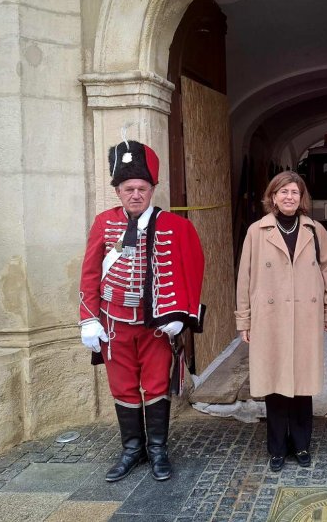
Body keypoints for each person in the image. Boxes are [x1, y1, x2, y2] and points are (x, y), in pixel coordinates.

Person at [79, 139, 205, 482]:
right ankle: (132, 449)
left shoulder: (176, 226)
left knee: (155, 385)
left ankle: (159, 450)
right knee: (122, 387)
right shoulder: (104, 223)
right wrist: (88, 318)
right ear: (118, 191)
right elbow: (90, 272)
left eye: (142, 188)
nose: (136, 194)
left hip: (156, 325)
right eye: (129, 188)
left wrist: (180, 314)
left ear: (152, 189)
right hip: (114, 323)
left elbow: (192, 270)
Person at [235, 171, 327, 472]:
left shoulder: (314, 229)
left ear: (302, 197)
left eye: (294, 192)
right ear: (273, 196)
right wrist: (245, 319)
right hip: (270, 317)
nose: (289, 197)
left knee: (302, 384)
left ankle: (302, 445)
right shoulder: (257, 230)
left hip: (306, 315)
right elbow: (245, 277)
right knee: (275, 383)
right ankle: (277, 448)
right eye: (283, 192)